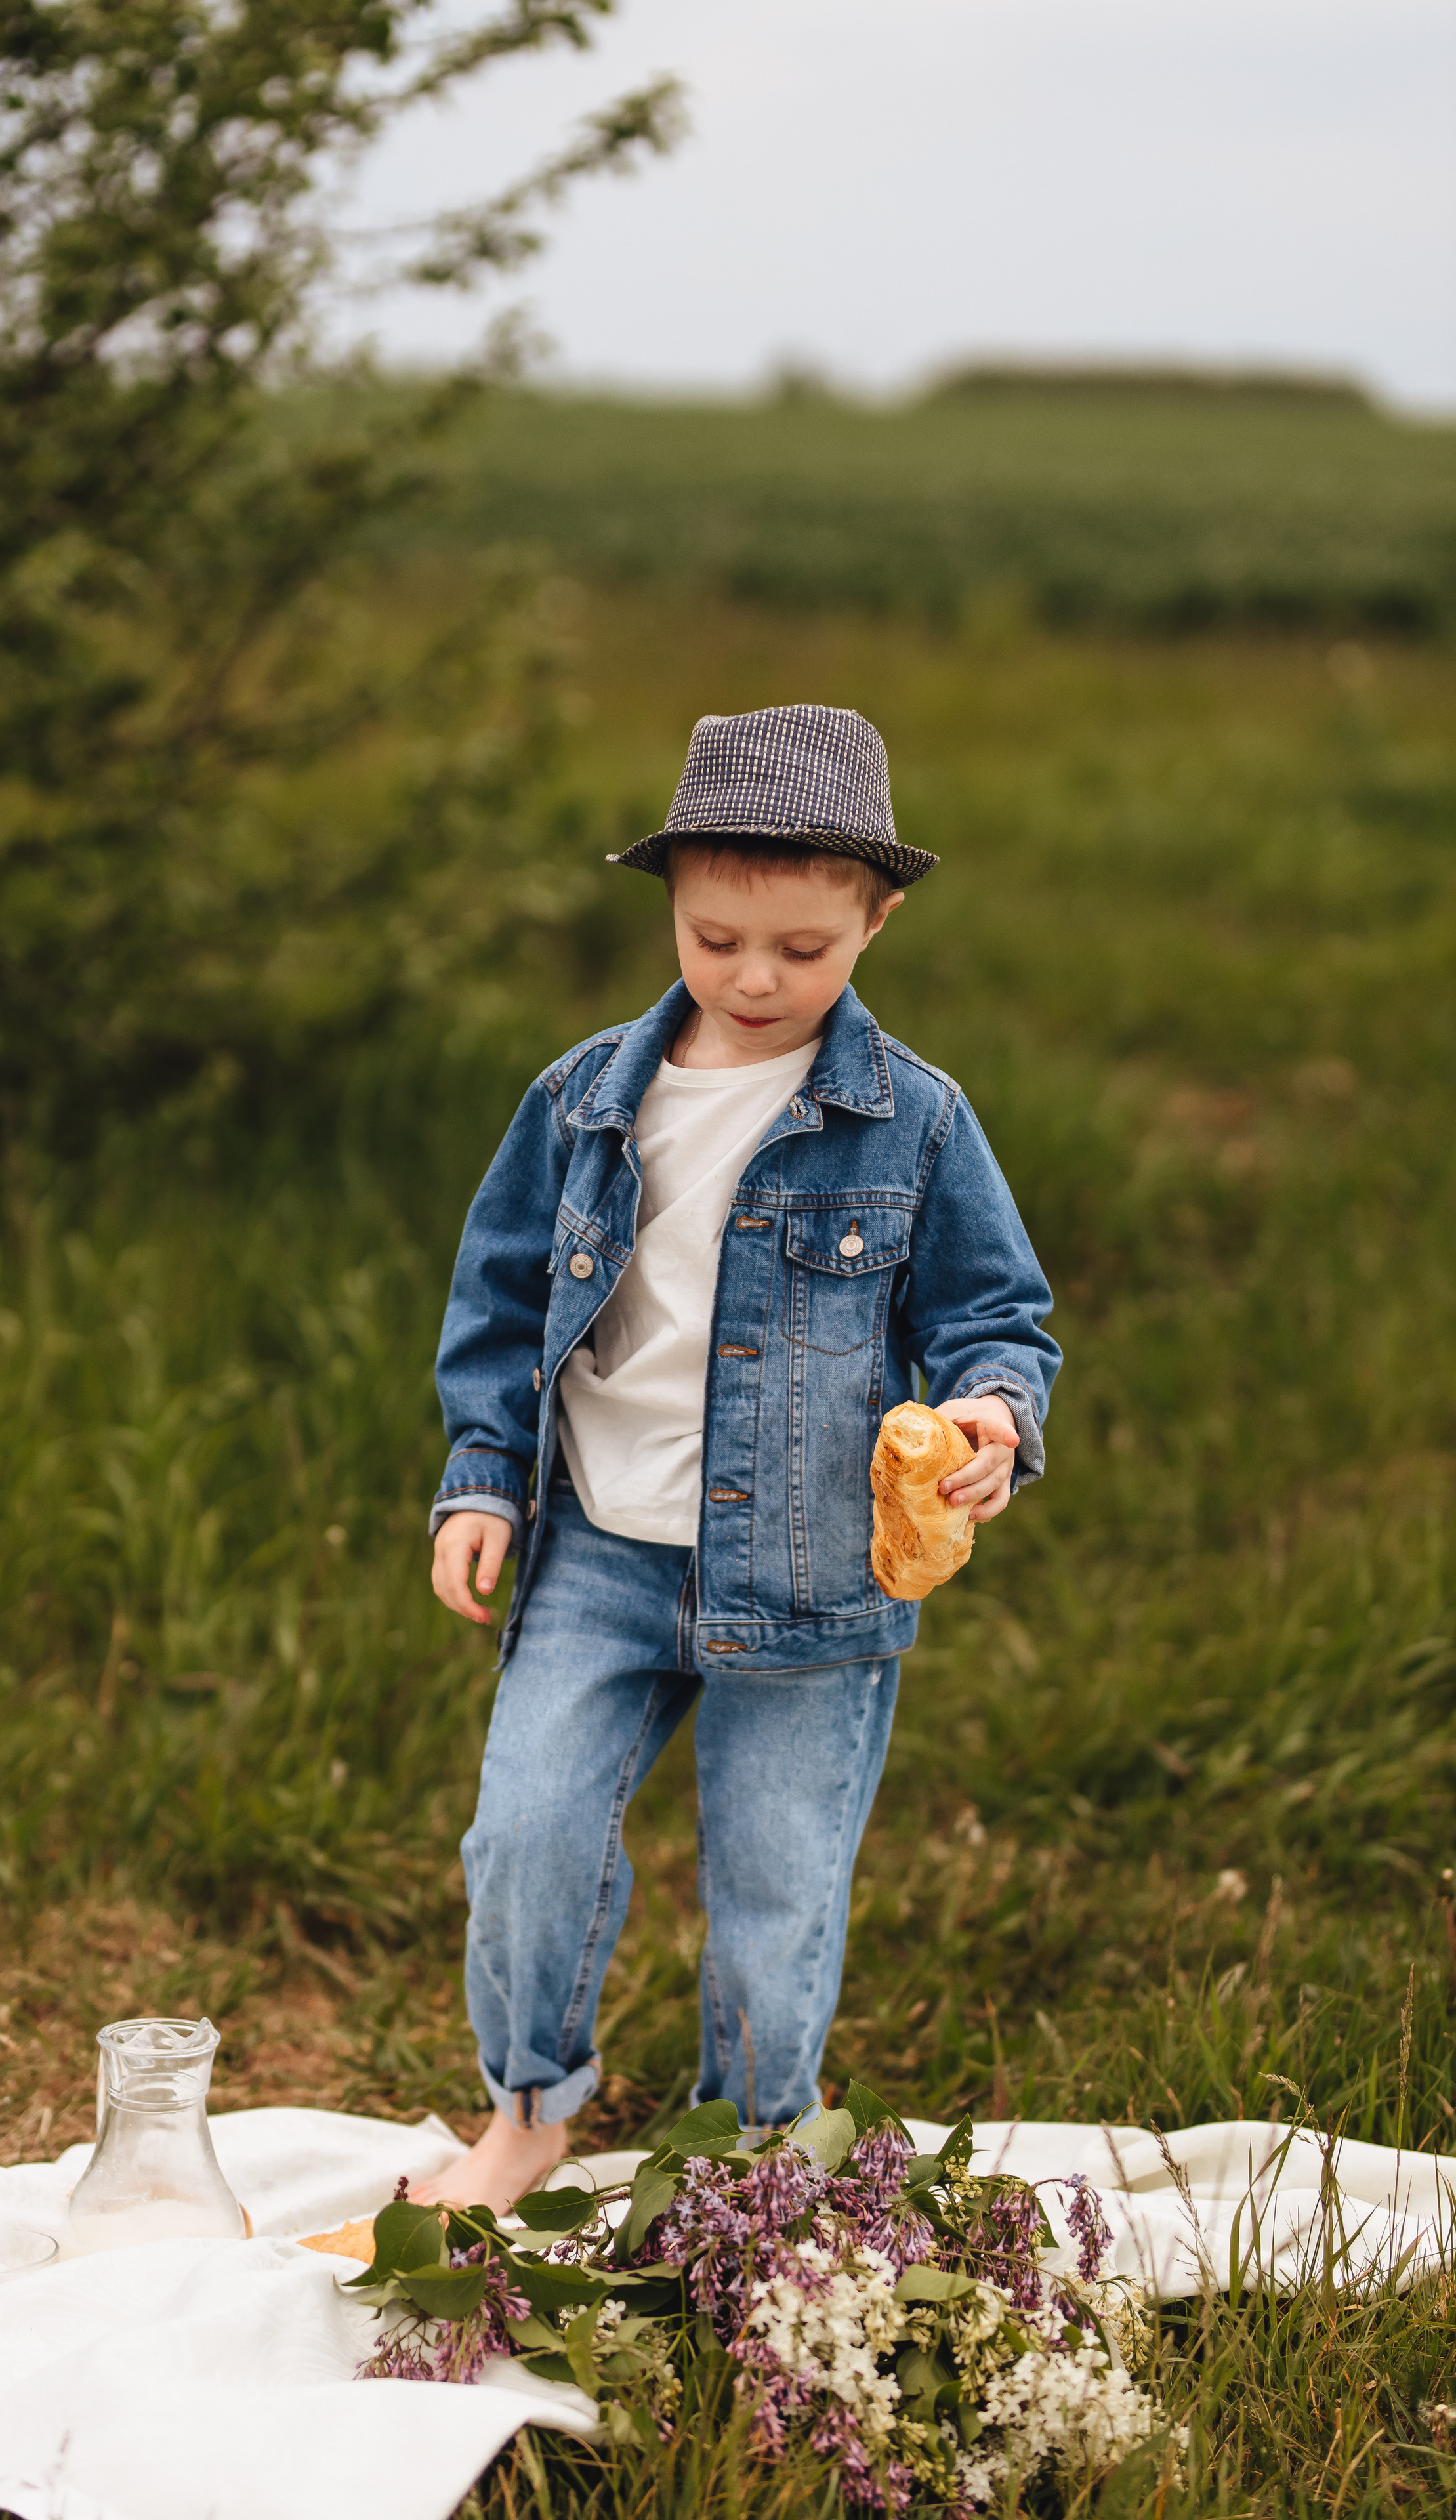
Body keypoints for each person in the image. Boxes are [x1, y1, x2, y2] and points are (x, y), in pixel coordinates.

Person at [417, 705, 1060, 2211]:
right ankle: (527, 2104)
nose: (754, 980)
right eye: (716, 942)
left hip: (812, 1567)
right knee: (524, 1832)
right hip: (596, 1549)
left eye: (800, 949)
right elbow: (504, 1301)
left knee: (774, 1888)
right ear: (669, 909)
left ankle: (748, 2148)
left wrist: (988, 1416)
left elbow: (993, 1317)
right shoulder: (583, 1099)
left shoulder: (913, 1122)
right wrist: (479, 1476)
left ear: (875, 920)